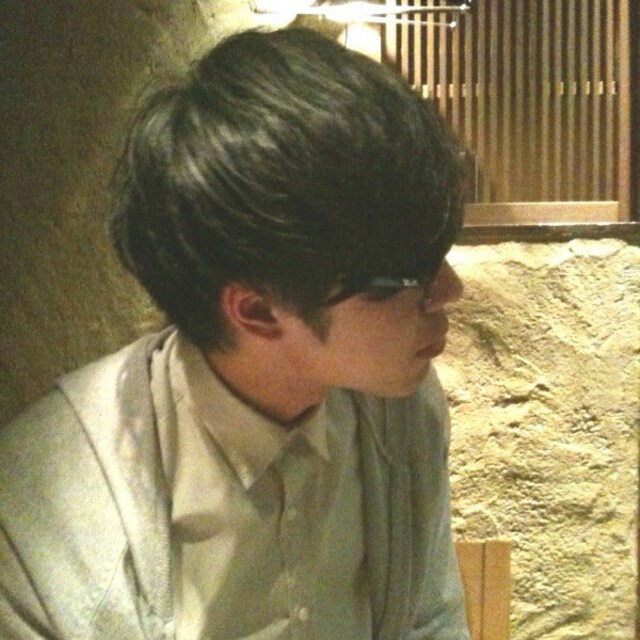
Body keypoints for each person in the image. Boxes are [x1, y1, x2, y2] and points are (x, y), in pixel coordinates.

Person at [0, 27, 470, 640]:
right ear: (257, 312)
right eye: (402, 279)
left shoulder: (401, 416)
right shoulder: (46, 522)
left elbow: (429, 622)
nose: (449, 289)